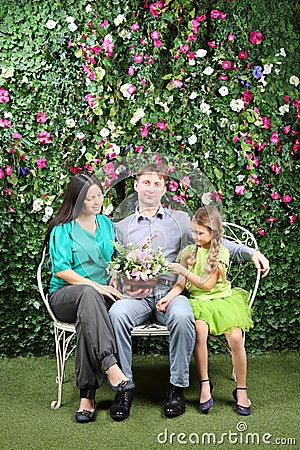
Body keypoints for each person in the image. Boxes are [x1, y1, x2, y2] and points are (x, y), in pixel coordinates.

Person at [109, 163, 269, 420]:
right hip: (136, 295)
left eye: (157, 183)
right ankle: (123, 388)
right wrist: (115, 278)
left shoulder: (181, 220)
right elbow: (112, 258)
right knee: (116, 314)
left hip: (172, 292)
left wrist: (252, 253)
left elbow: (215, 240)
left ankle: (177, 387)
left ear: (164, 188)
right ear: (136, 186)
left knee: (185, 317)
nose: (151, 188)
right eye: (146, 183)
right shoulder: (121, 226)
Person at [43, 172, 134, 423]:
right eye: (90, 198)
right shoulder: (62, 229)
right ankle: (111, 366)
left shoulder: (105, 224)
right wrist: (96, 285)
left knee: (88, 317)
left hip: (96, 299)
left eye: (99, 195)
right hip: (65, 296)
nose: (97, 201)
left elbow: (114, 261)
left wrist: (114, 280)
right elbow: (61, 270)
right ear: (78, 200)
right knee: (87, 294)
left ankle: (87, 396)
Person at [157, 205, 253, 415]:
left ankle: (241, 389)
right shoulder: (189, 252)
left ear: (213, 232)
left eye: (200, 233)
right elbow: (181, 285)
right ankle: (205, 384)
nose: (195, 236)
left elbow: (207, 284)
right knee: (199, 331)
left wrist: (182, 269)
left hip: (222, 302)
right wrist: (167, 298)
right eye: (193, 232)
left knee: (236, 337)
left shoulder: (222, 252)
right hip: (199, 303)